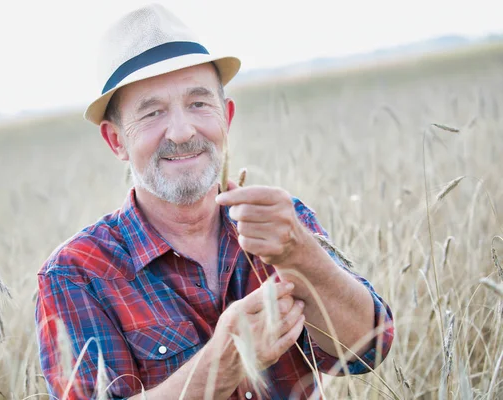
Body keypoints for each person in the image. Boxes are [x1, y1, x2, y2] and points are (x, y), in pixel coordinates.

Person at [35, 3, 394, 399]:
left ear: (227, 116)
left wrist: (303, 254)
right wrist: (219, 366)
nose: (182, 131)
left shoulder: (280, 224)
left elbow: (368, 349)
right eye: (152, 112)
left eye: (199, 104)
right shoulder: (76, 274)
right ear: (116, 140)